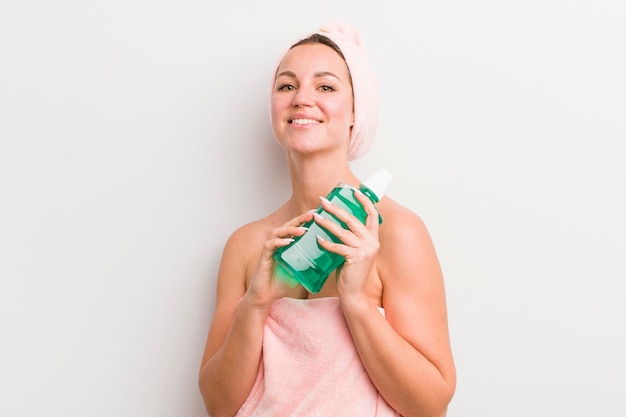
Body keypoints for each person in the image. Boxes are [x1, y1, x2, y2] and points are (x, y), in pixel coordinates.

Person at [198, 20, 456, 417]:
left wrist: (355, 301)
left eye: (326, 87)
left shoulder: (396, 232)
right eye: (287, 86)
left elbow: (431, 405)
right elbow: (218, 405)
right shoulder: (247, 246)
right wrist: (256, 304)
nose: (302, 98)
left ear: (356, 112)